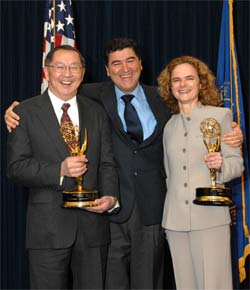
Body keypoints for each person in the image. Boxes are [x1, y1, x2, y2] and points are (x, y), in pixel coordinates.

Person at [4, 38, 243, 289]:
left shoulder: (164, 99)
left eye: (130, 61)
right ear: (106, 70)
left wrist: (233, 131)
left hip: (154, 211)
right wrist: (13, 110)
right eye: (116, 63)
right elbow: (56, 97)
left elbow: (198, 122)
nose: (124, 68)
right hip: (110, 216)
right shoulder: (91, 95)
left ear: (141, 64)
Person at [7, 45, 118, 290]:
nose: (67, 73)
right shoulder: (24, 113)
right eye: (60, 67)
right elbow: (16, 167)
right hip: (47, 229)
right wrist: (59, 170)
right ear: (47, 71)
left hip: (93, 229)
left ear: (83, 72)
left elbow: (107, 163)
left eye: (74, 67)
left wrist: (110, 197)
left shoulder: (97, 112)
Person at [157, 55, 244, 290]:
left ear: (201, 83)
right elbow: (168, 174)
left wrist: (221, 166)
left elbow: (237, 165)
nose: (183, 84)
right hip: (175, 221)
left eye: (189, 78)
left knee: (214, 285)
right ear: (170, 86)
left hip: (210, 219)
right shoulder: (169, 126)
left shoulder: (221, 117)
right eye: (176, 80)